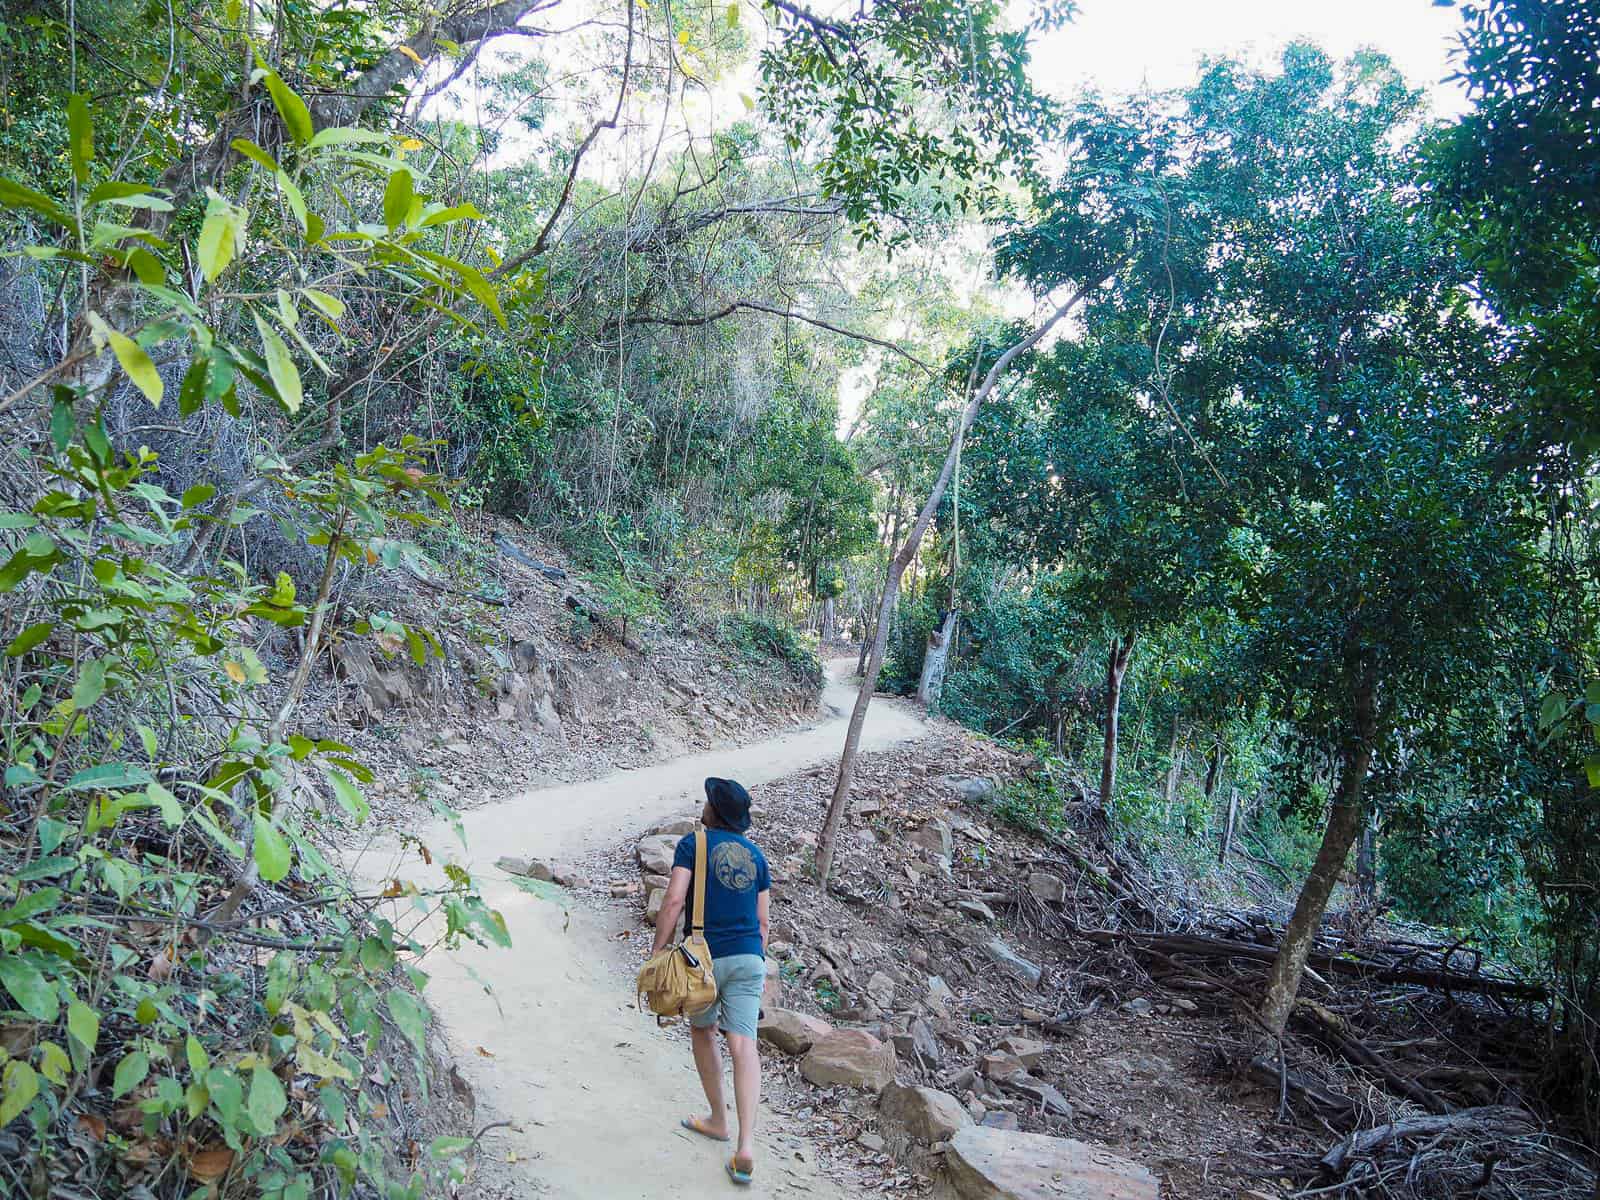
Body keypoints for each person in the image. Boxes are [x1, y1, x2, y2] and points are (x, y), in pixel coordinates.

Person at [649, 776, 770, 1187]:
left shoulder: (693, 844)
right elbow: (763, 922)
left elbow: (673, 900)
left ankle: (719, 1119)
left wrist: (657, 953)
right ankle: (746, 1146)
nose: (702, 805)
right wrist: (755, 958)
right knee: (744, 1045)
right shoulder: (756, 856)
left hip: (703, 959)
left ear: (713, 811)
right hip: (751, 957)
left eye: (707, 802)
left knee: (703, 1031)